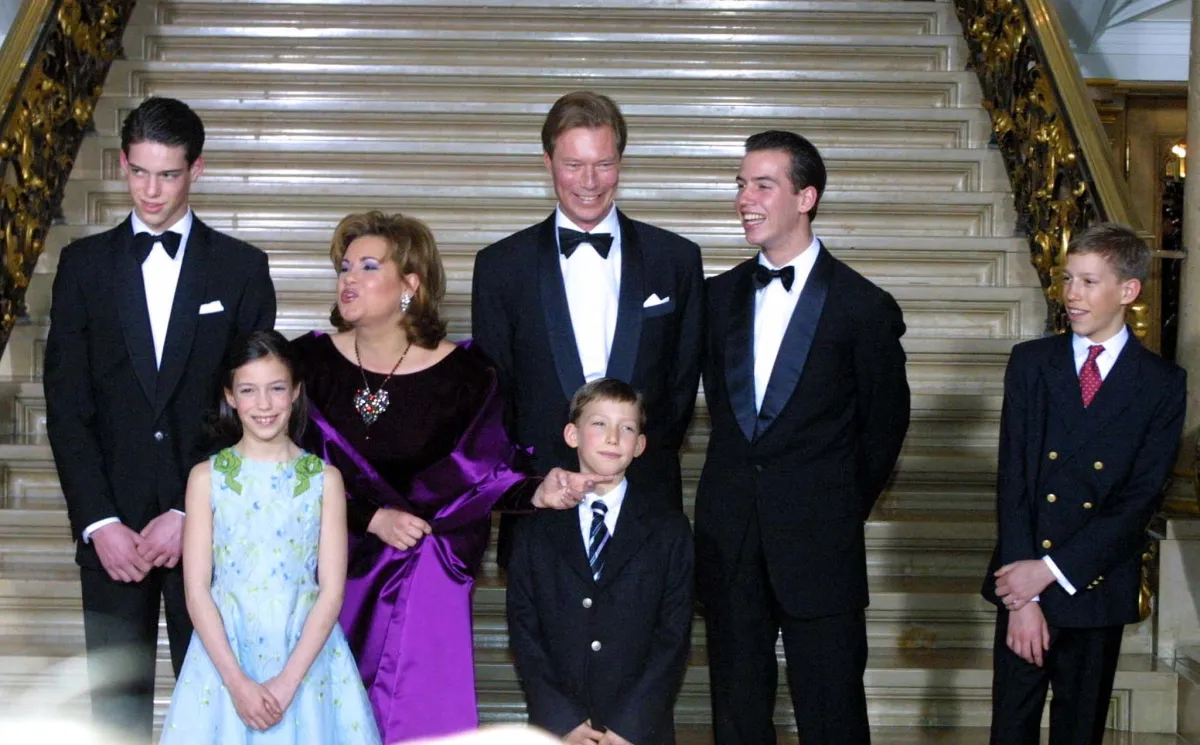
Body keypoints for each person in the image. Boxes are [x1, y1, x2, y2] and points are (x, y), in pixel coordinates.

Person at [291, 210, 598, 743]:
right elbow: (271, 467)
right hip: (315, 575)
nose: (348, 279)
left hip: (415, 584)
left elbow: (484, 476)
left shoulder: (467, 376)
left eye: (368, 266)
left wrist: (541, 492)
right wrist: (369, 518)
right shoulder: (302, 364)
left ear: (410, 284)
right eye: (344, 267)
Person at [44, 96, 276, 740]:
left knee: (218, 708)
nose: (151, 190)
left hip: (208, 529)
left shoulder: (241, 268)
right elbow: (67, 406)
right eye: (139, 172)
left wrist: (187, 508)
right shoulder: (81, 267)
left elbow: (253, 409)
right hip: (111, 528)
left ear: (195, 170)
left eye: (168, 174)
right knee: (114, 714)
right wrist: (99, 522)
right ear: (122, 163)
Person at [694, 130, 911, 745]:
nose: (745, 198)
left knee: (833, 715)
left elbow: (884, 429)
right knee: (737, 716)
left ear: (806, 196)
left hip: (821, 544)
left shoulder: (863, 306)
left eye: (763, 184)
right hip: (729, 542)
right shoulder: (714, 298)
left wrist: (834, 507)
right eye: (740, 184)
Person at [472, 90, 704, 565]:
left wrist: (631, 460)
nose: (589, 182)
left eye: (603, 164)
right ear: (547, 162)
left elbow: (681, 387)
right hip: (541, 512)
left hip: (646, 510)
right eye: (573, 164)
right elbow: (497, 395)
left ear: (621, 162)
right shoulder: (500, 266)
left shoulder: (676, 260)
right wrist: (537, 484)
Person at [983, 223, 1186, 745]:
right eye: (1068, 278)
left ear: (1128, 290)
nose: (1071, 294)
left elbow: (1139, 499)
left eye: (1089, 282)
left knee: (1080, 733)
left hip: (1094, 589)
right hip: (1020, 587)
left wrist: (1050, 572)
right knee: (1010, 730)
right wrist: (1022, 598)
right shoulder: (1031, 363)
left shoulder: (1162, 383)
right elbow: (1015, 483)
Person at [159, 330, 380, 744]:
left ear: (295, 392)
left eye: (276, 389)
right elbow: (197, 590)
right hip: (225, 659)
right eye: (248, 390)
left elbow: (331, 591)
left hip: (306, 659)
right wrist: (237, 682)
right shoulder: (206, 478)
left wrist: (287, 682)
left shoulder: (324, 480)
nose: (263, 404)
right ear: (230, 396)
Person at [507, 379, 694, 745]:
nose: (613, 437)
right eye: (599, 424)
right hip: (558, 728)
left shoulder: (668, 528)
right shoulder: (534, 529)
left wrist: (631, 725)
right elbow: (524, 631)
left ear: (639, 445)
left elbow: (673, 637)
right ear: (571, 434)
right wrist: (562, 720)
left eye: (626, 428)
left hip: (640, 729)